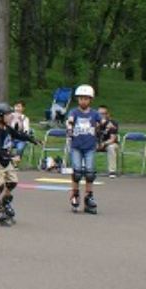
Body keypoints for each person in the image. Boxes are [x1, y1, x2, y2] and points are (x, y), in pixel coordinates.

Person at [0, 102, 38, 225]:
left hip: (6, 160)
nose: (11, 117)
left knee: (12, 182)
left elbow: (18, 134)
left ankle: (5, 203)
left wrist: (31, 139)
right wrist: (11, 156)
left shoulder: (7, 128)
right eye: (8, 115)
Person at [66, 85, 102, 214]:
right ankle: (75, 194)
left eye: (86, 99)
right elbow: (70, 121)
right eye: (81, 99)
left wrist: (104, 127)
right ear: (78, 100)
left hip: (90, 146)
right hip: (76, 146)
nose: (83, 101)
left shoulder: (94, 114)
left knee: (90, 173)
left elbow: (102, 123)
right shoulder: (74, 112)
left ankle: (89, 196)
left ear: (90, 100)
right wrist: (69, 129)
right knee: (77, 172)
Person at [96, 105, 120, 178]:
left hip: (110, 143)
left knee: (111, 147)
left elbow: (112, 139)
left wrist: (104, 143)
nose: (101, 115)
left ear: (107, 114)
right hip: (97, 143)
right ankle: (87, 169)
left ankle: (112, 171)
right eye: (99, 113)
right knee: (86, 145)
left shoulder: (113, 123)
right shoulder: (94, 122)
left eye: (103, 113)